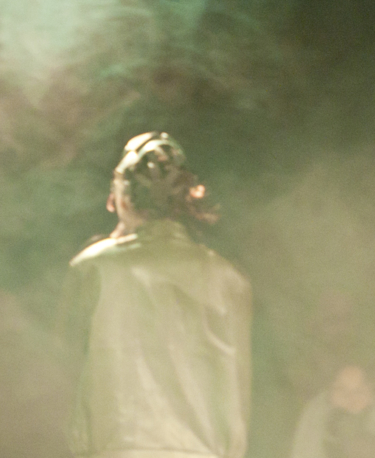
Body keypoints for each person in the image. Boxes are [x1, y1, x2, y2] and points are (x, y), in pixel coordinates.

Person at [57, 132, 252, 458]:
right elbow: (237, 392)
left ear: (122, 198)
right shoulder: (227, 278)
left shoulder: (93, 267)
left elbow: (61, 373)